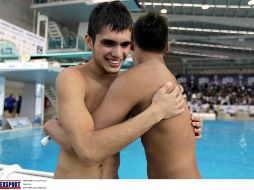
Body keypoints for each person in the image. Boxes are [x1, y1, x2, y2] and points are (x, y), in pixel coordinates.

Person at [44, 2, 203, 179]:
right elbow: (87, 151)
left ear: (132, 45)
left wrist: (186, 124)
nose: (118, 53)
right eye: (109, 43)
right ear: (89, 41)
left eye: (125, 44)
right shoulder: (73, 79)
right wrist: (156, 112)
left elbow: (151, 129)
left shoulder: (126, 84)